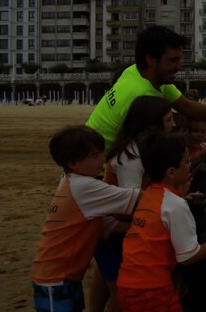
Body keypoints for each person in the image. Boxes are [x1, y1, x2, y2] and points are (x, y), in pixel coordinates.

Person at [116, 130, 206, 312]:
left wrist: (181, 199)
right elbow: (188, 257)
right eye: (187, 162)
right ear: (171, 172)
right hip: (152, 289)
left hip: (128, 283)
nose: (190, 165)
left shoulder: (150, 195)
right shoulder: (175, 205)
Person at [86, 25, 206, 153]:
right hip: (99, 170)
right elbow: (153, 151)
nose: (179, 67)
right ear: (151, 59)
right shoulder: (143, 97)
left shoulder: (135, 72)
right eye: (172, 60)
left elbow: (185, 105)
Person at [31, 126, 141, 312]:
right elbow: (138, 197)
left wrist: (141, 227)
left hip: (65, 276)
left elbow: (108, 225)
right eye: (94, 156)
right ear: (73, 162)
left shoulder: (72, 183)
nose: (102, 159)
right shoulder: (84, 187)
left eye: (101, 153)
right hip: (55, 279)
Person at [93, 96, 176, 312]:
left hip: (119, 228)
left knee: (110, 281)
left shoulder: (142, 149)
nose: (174, 125)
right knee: (119, 291)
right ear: (152, 124)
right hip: (115, 230)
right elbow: (133, 201)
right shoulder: (131, 157)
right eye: (169, 120)